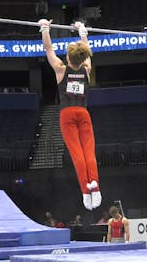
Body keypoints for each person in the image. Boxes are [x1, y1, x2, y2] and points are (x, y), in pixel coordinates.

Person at [40, 18, 101, 210]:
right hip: (83, 113)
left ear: (67, 58)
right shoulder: (86, 69)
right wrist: (82, 30)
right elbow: (86, 48)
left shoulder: (60, 70)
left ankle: (85, 191)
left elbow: (48, 50)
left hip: (67, 114)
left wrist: (45, 28)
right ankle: (95, 187)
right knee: (89, 151)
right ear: (82, 58)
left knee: (77, 154)